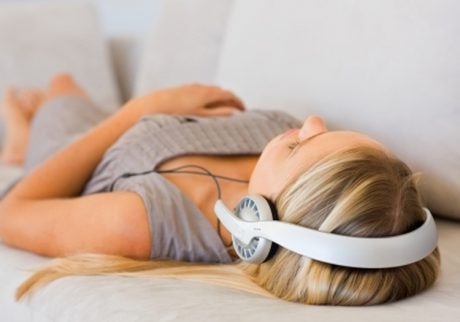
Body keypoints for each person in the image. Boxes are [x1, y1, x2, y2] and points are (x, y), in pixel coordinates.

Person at [0, 74, 440, 305]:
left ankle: (22, 142)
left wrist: (137, 111)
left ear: (258, 221)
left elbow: (10, 213)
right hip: (129, 130)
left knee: (60, 85)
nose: (312, 122)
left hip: (75, 151)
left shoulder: (143, 220)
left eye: (301, 145)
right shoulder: (280, 155)